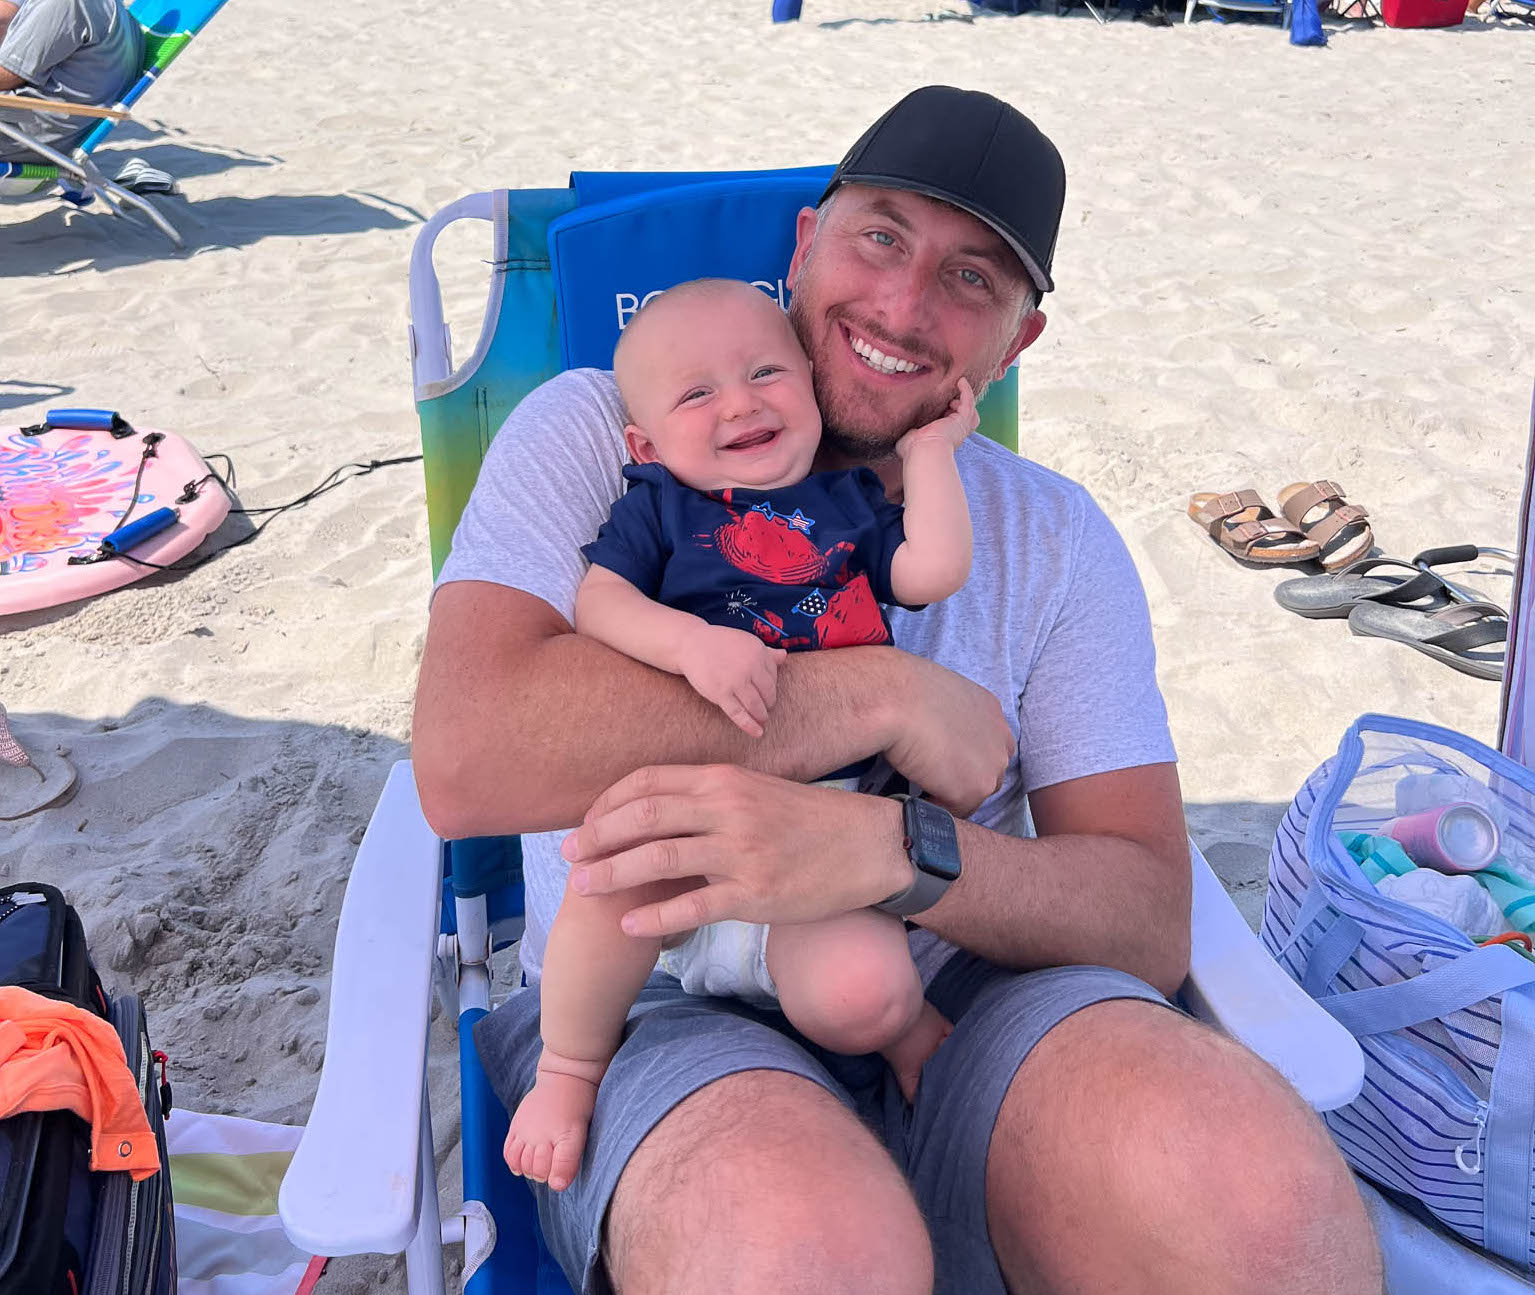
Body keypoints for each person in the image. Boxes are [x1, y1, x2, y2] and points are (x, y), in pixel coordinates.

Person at [415, 85, 1383, 1295]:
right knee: (797, 1251)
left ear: (1015, 343)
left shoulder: (1050, 536)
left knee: (1257, 1203)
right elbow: (464, 759)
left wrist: (891, 852)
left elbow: (1142, 918)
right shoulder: (604, 432)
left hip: (965, 989)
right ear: (802, 246)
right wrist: (879, 695)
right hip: (649, 990)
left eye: (971, 278)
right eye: (880, 236)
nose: (903, 305)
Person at [505, 277, 978, 1192]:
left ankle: (905, 1033)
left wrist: (929, 453)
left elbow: (931, 569)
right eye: (697, 393)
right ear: (645, 445)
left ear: (810, 388)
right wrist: (688, 643)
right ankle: (569, 1070)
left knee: (867, 993)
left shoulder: (844, 504)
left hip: (822, 838)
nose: (740, 403)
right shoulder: (659, 507)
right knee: (601, 894)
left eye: (765, 373)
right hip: (681, 835)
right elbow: (599, 602)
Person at [0, 0, 141, 163]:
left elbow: (8, 76)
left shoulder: (61, 4)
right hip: (61, 130)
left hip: (23, 135)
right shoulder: (113, 8)